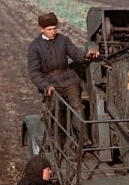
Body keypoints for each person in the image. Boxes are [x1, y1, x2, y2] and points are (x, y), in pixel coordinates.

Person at [27, 12, 98, 146]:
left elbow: (75, 53)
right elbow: (34, 72)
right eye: (49, 29)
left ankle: (84, 138)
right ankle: (58, 139)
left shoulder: (63, 40)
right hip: (50, 82)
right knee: (56, 109)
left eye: (55, 28)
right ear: (41, 29)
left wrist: (86, 55)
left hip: (68, 79)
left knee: (77, 105)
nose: (53, 32)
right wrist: (45, 86)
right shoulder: (34, 47)